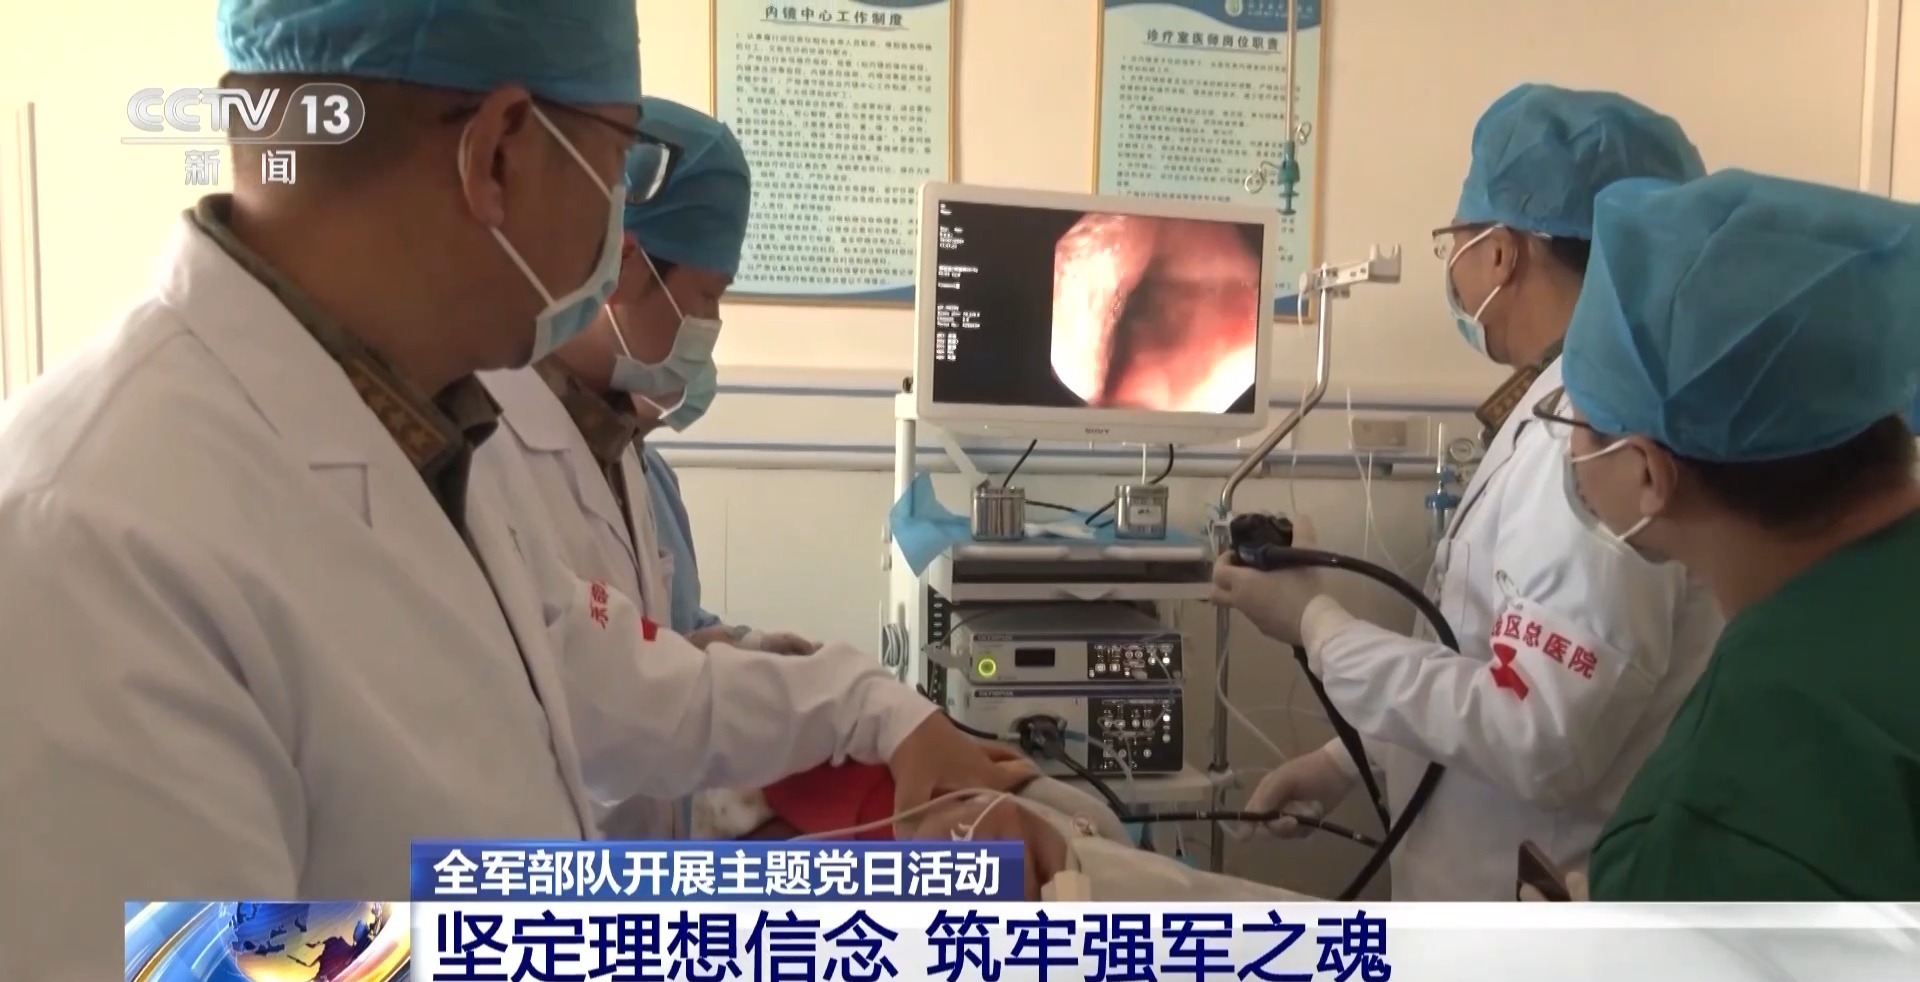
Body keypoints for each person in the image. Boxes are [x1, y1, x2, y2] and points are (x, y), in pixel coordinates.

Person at [0, 2, 1028, 974]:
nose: (616, 231)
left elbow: (628, 690)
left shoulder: (427, 433)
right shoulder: (90, 538)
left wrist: (882, 745)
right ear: (499, 152)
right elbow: (263, 962)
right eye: (619, 165)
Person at [1208, 83, 1725, 900]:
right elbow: (1487, 657)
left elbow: (1544, 734)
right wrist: (1349, 757)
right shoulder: (1553, 406)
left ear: (1501, 252)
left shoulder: (1595, 433)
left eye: (1454, 241)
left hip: (1531, 908)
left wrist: (1316, 625)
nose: (1452, 266)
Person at [1545, 169, 1920, 900]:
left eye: (1577, 419)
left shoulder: (1741, 787)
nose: (1569, 450)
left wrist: (1610, 936)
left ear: (1650, 474)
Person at [473, 98, 810, 841]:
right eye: (708, 297)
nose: (712, 326)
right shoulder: (487, 452)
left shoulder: (615, 442)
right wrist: (838, 709)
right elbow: (573, 711)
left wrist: (734, 658)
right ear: (626, 265)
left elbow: (636, 653)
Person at [642, 444, 818, 652]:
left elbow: (687, 617)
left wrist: (754, 643)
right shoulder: (613, 474)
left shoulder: (653, 469)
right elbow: (630, 645)